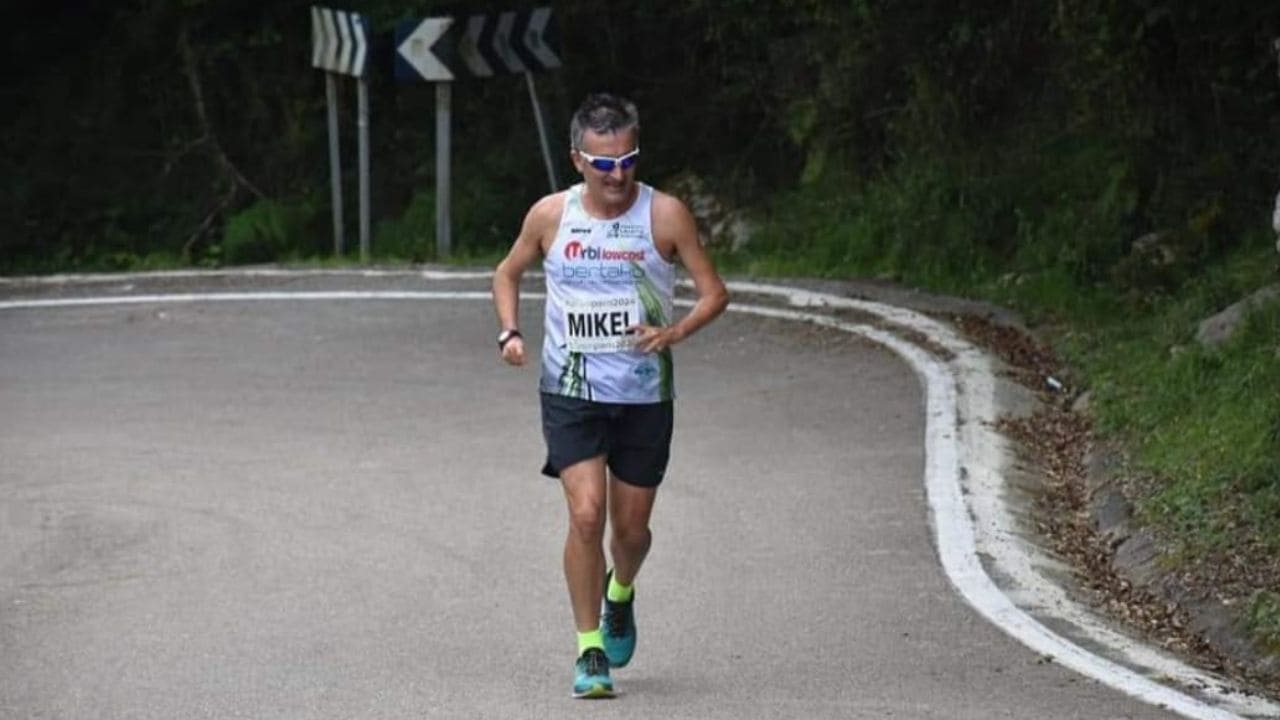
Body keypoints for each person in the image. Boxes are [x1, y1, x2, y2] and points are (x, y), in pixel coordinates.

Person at [491, 93, 729, 698]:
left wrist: (672, 332)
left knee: (631, 531)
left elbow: (713, 293)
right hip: (571, 390)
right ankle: (589, 649)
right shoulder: (549, 216)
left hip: (645, 394)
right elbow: (507, 272)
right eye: (603, 164)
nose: (618, 174)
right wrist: (510, 331)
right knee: (586, 514)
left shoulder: (666, 215)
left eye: (628, 159)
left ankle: (620, 592)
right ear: (577, 160)